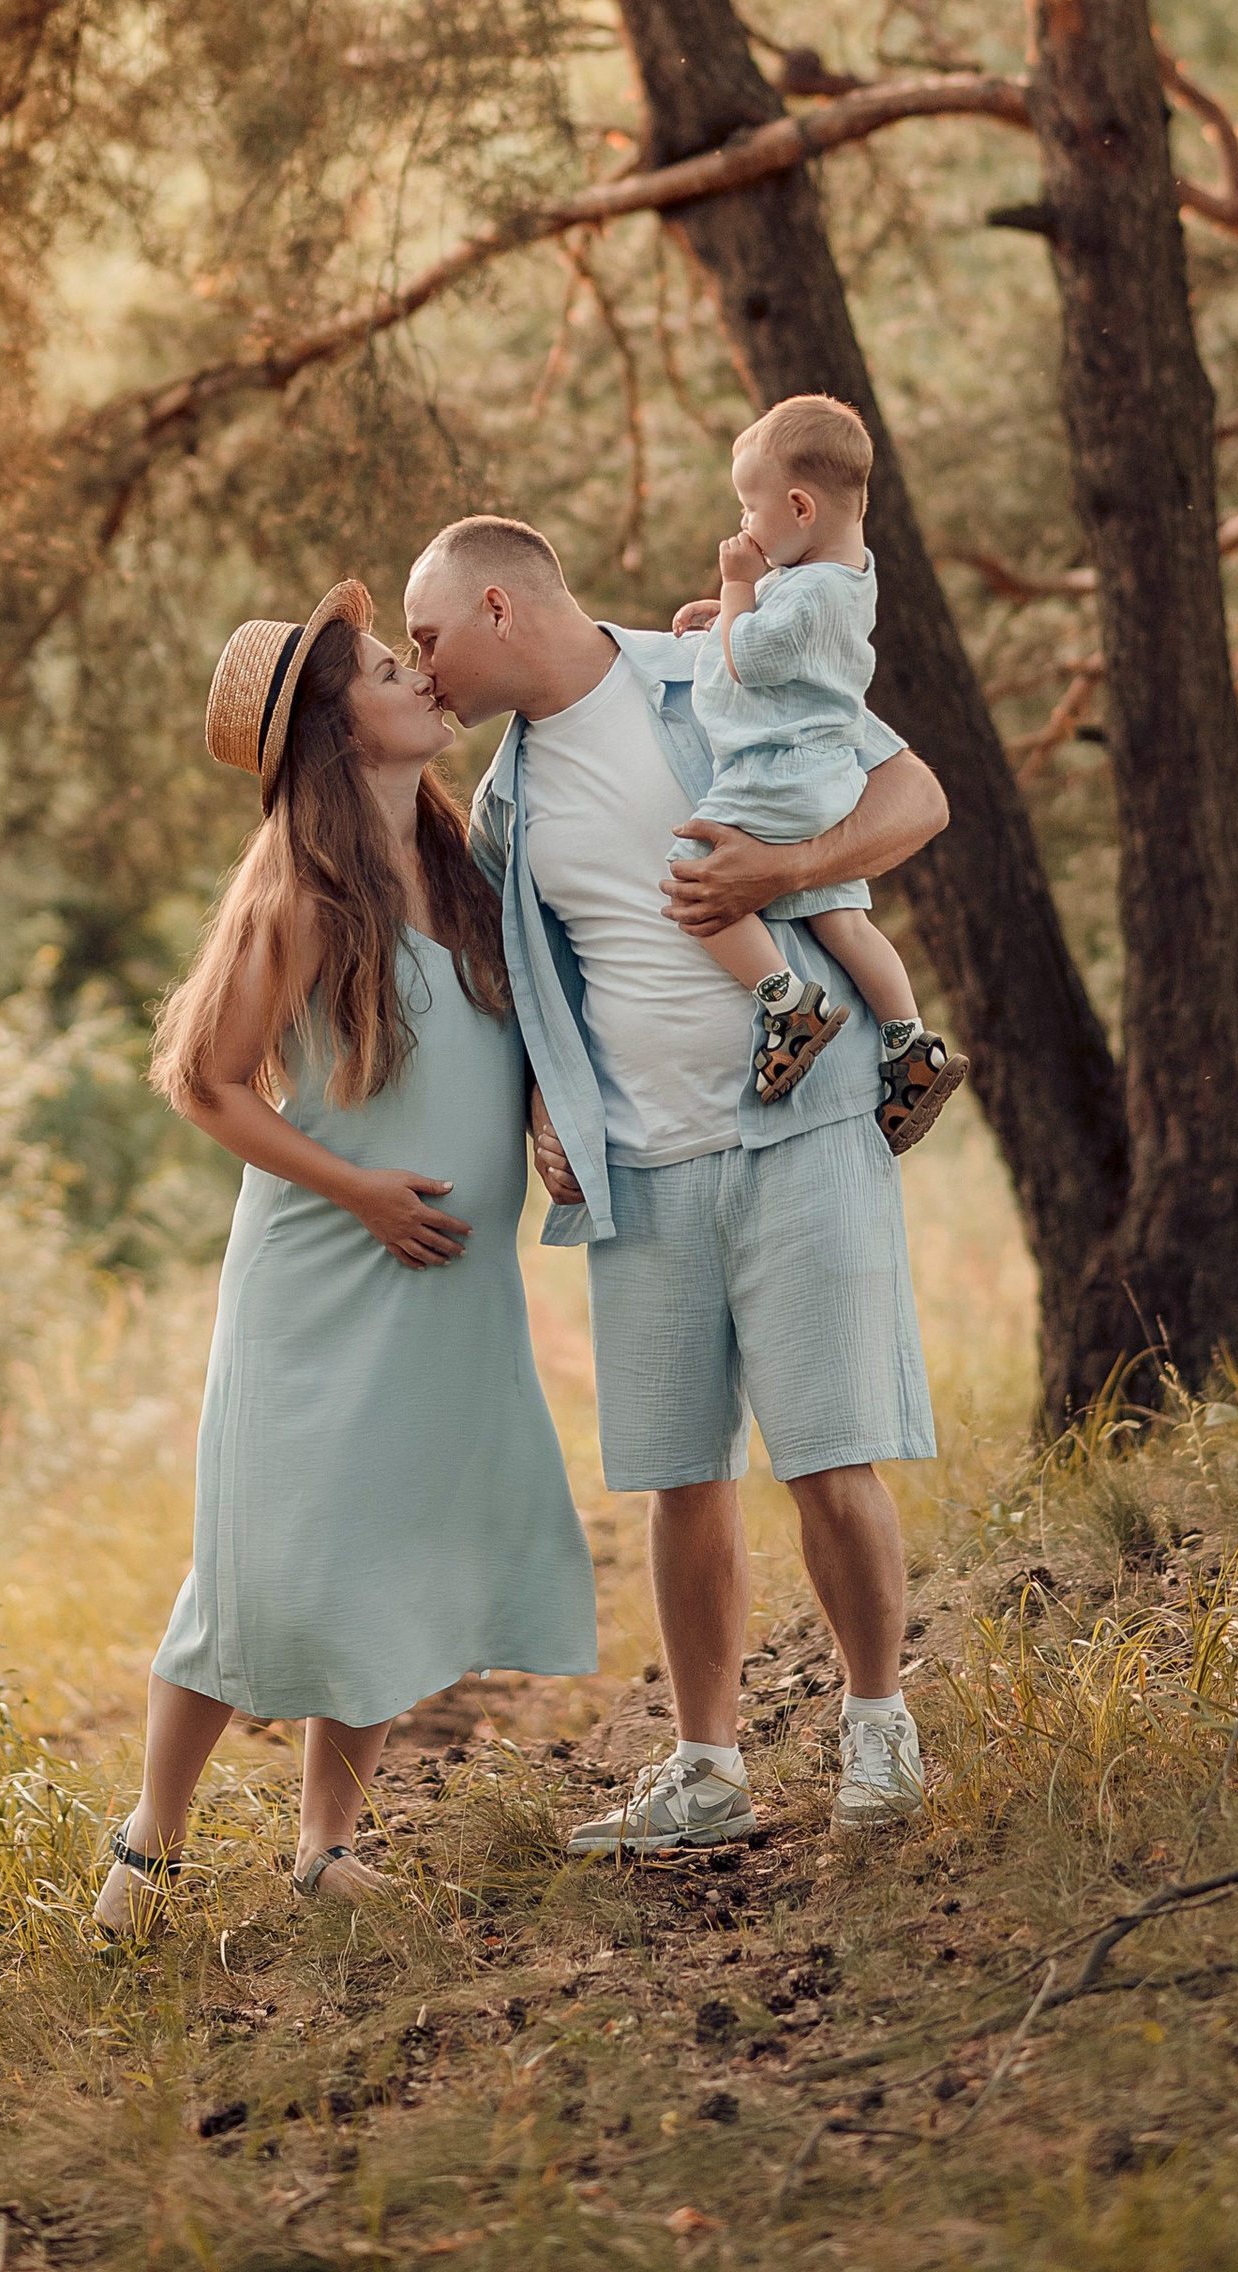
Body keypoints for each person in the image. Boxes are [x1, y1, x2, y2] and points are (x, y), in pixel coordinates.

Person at [401, 514, 950, 1860]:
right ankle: (709, 1769)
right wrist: (543, 1101)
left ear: (499, 608)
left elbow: (917, 797)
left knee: (830, 1455)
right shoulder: (505, 806)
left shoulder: (715, 679)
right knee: (678, 1482)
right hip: (636, 1175)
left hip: (802, 1135)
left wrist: (793, 868)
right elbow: (542, 984)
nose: (424, 672)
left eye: (429, 639)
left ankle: (880, 1733)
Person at [92, 579, 595, 1932]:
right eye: (385, 672)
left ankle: (325, 1849)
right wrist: (361, 1191)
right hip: (327, 1276)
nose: (421, 677)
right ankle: (151, 1846)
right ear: (336, 734)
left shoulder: (461, 872)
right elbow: (209, 1083)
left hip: (450, 1278)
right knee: (264, 1559)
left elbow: (499, 1039)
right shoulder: (305, 892)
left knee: (394, 1544)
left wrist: (544, 1123)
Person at [666, 391, 965, 1155]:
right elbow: (778, 626)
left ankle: (787, 1004)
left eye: (749, 509)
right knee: (838, 915)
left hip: (778, 771)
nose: (743, 527)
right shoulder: (840, 575)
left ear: (800, 506)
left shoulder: (813, 591)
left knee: (697, 870)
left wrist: (736, 588)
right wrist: (727, 610)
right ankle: (906, 1042)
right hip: (823, 777)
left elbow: (762, 654)